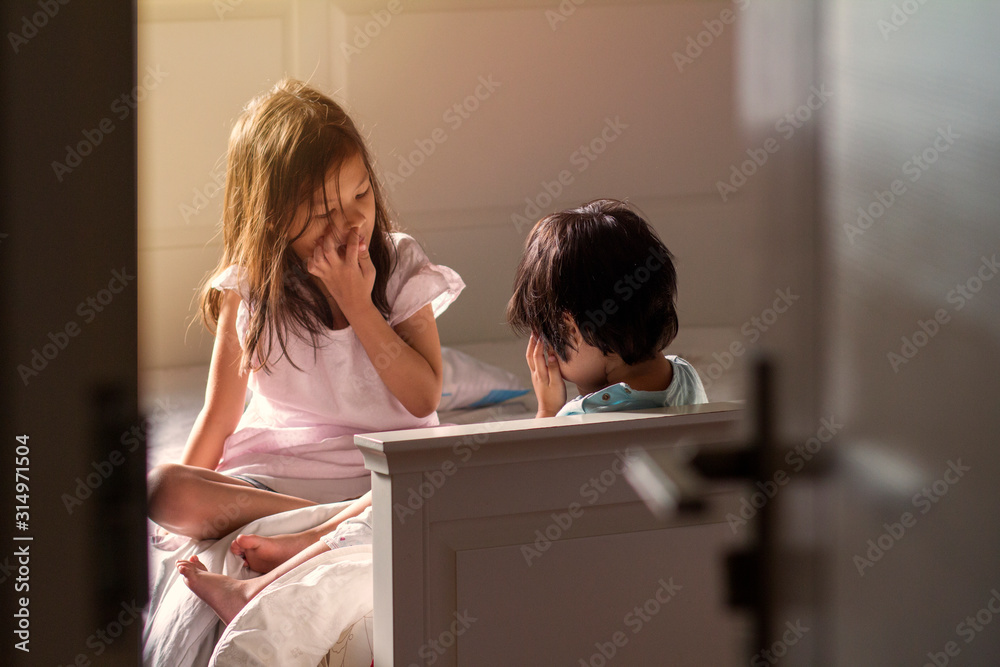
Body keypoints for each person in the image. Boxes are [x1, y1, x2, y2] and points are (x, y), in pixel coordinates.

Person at [146, 78, 464, 551]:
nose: (353, 220)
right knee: (163, 490)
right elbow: (219, 416)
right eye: (323, 212)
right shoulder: (250, 288)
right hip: (280, 482)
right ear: (272, 218)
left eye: (361, 194)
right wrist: (180, 510)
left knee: (458, 475)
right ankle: (333, 524)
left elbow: (423, 398)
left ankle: (323, 527)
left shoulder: (400, 263)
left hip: (386, 474)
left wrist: (358, 304)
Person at [506, 198, 708, 416]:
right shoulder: (686, 377)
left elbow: (546, 442)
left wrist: (547, 412)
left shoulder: (578, 417)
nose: (550, 356)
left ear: (572, 330)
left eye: (550, 345)